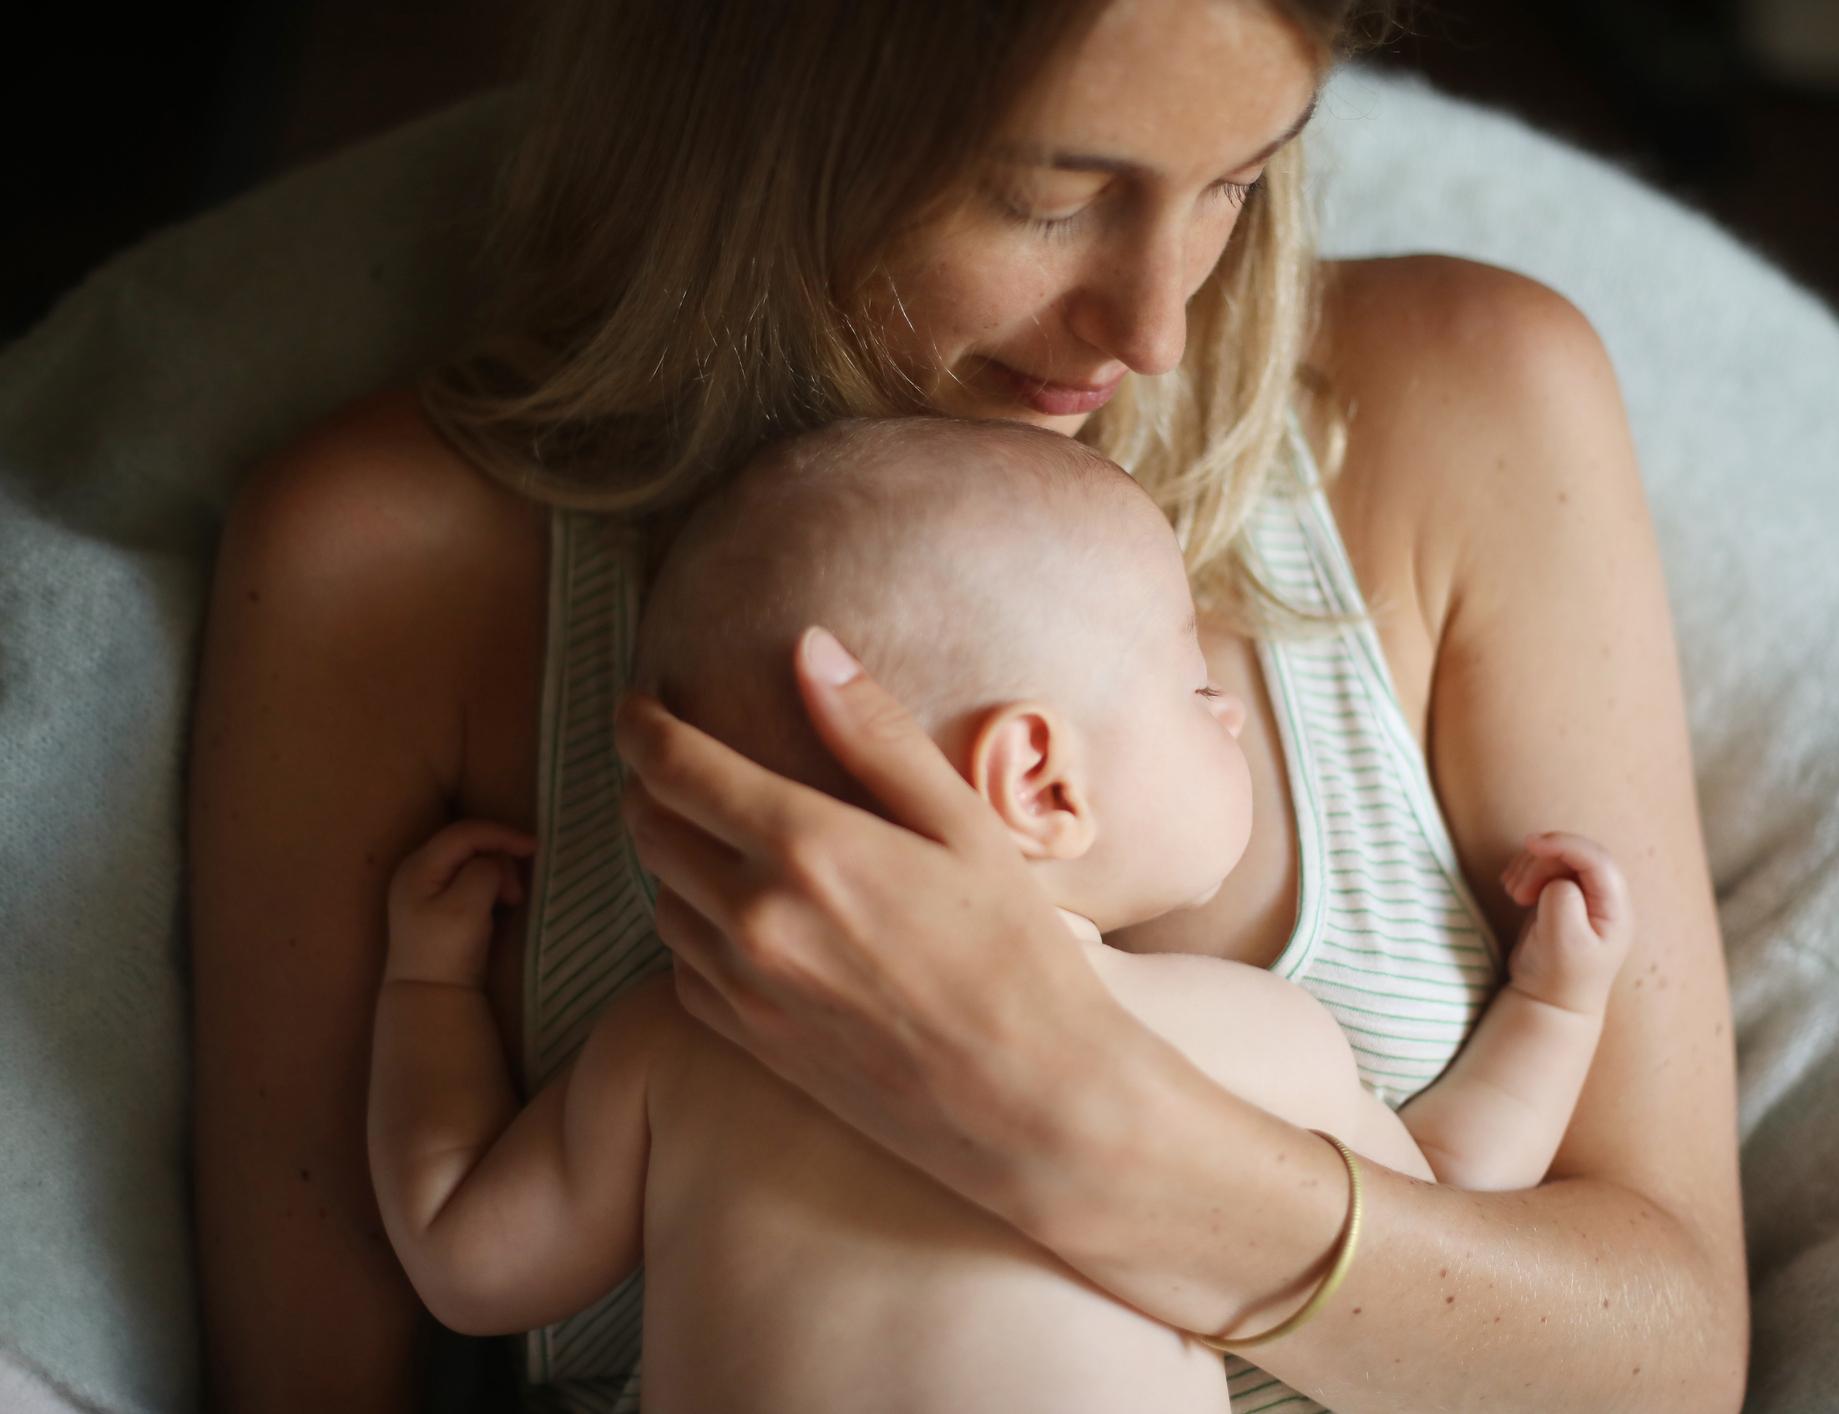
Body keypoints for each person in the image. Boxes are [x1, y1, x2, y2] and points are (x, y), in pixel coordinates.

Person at [186, 0, 1749, 1408]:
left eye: (1236, 180)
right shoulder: (378, 570)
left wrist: (1076, 1118)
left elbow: (1663, 1366)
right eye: (1049, 196)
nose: (1154, 330)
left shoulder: (1474, 399)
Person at [365, 416, 1636, 1411]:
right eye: (1197, 684)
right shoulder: (1239, 1037)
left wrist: (425, 990)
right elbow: (1449, 1208)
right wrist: (1555, 1004)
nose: (1232, 712)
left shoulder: (680, 1042)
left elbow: (466, 1263)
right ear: (1038, 778)